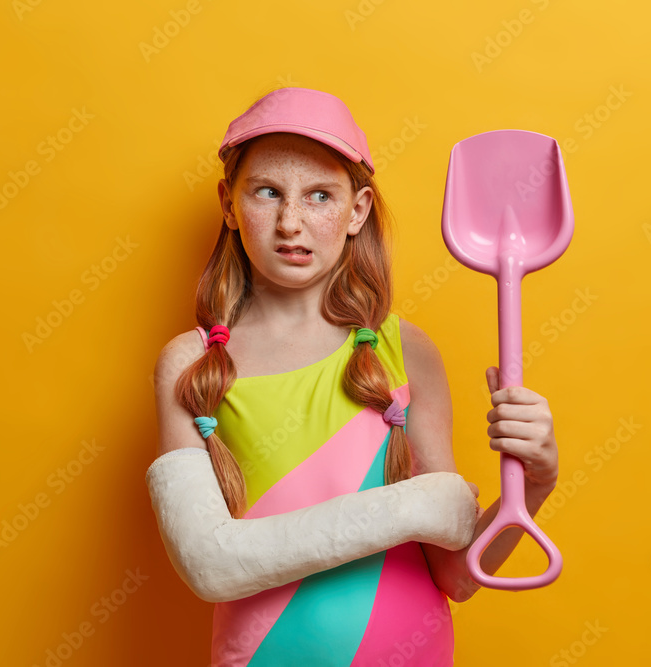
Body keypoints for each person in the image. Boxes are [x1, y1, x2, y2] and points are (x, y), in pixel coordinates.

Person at [147, 87, 559, 666]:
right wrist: (416, 507)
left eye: (320, 196)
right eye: (267, 192)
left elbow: (457, 574)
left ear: (357, 210)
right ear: (229, 203)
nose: (291, 222)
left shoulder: (406, 352)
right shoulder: (187, 365)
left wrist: (533, 484)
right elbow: (208, 564)